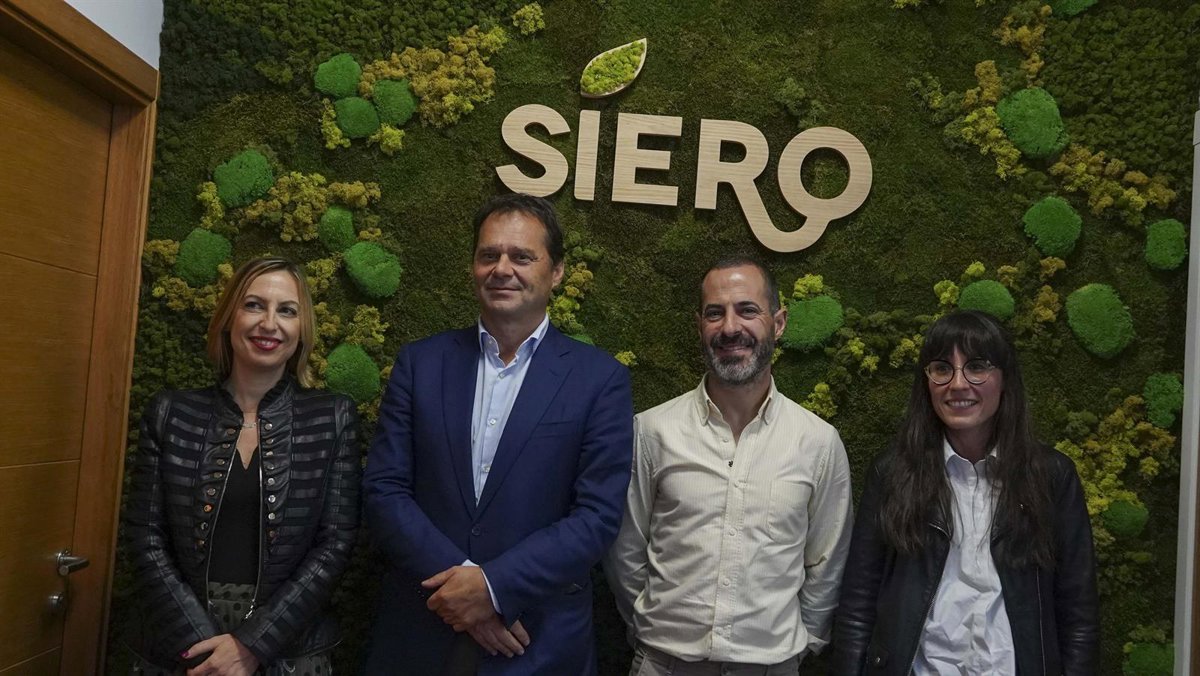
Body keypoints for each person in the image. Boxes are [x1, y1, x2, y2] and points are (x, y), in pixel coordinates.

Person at [362, 193, 634, 674]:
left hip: (538, 642)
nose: (502, 269)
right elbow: (385, 489)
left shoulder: (600, 379)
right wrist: (464, 590)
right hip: (420, 633)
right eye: (489, 254)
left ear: (557, 272)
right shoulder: (420, 364)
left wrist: (493, 589)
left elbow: (596, 516)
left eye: (522, 257)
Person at [604, 255, 853, 676]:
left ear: (779, 323)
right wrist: (651, 632)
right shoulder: (651, 431)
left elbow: (827, 563)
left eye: (747, 310)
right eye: (715, 313)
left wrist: (798, 649)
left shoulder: (818, 443)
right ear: (699, 325)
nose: (730, 327)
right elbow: (625, 551)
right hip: (665, 665)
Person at [125, 257, 361, 676]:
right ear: (228, 318)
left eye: (286, 310)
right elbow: (145, 538)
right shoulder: (170, 413)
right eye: (254, 305)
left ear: (302, 329)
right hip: (179, 645)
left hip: (289, 652)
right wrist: (203, 648)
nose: (269, 323)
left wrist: (253, 645)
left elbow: (335, 545)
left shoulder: (333, 417)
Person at [833, 310, 1099, 675]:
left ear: (1005, 379)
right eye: (942, 368)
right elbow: (857, 605)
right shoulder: (892, 474)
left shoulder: (1052, 476)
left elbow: (1079, 615)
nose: (958, 384)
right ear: (926, 382)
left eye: (977, 367)